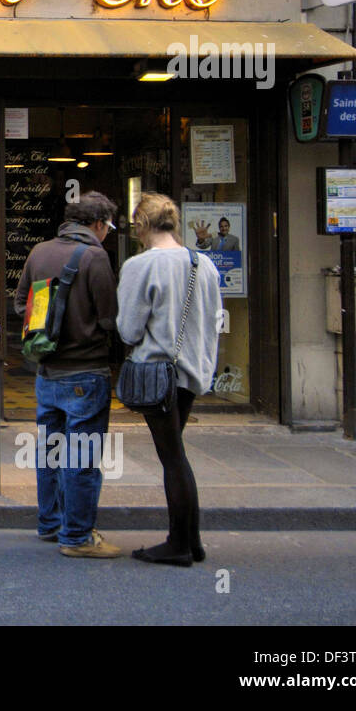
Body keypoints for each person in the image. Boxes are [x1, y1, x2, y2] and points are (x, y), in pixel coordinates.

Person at [118, 193, 222, 567]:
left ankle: (178, 543)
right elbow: (214, 322)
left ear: (142, 225)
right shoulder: (203, 263)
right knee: (174, 454)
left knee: (172, 458)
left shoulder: (140, 266)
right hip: (190, 373)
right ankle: (190, 541)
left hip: (156, 372)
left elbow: (128, 329)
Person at [14, 191, 120, 557]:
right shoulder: (94, 256)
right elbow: (109, 318)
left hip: (46, 372)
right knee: (82, 457)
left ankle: (51, 523)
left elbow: (20, 303)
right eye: (109, 226)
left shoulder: (39, 251)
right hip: (86, 373)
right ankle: (76, 536)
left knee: (51, 451)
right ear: (98, 223)